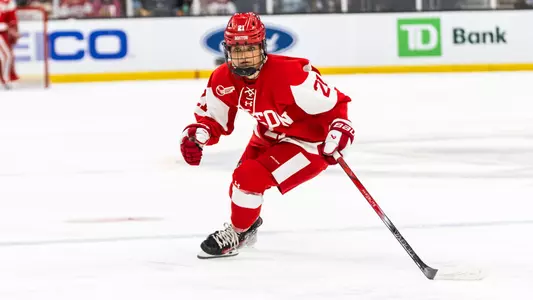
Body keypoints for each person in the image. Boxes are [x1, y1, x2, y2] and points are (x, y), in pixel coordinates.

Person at [180, 12, 355, 259]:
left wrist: (340, 128)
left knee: (248, 178)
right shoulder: (222, 77)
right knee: (238, 186)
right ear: (227, 49)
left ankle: (237, 233)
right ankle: (248, 227)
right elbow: (213, 120)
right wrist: (198, 135)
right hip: (269, 133)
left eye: (249, 49)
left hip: (308, 143)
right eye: (237, 51)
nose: (243, 57)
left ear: (262, 46)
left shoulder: (291, 74)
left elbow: (335, 104)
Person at [0, 0, 19, 89]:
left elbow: (12, 19)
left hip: (3, 33)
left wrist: (13, 29)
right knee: (6, 56)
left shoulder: (8, 2)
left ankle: (5, 80)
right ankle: (4, 80)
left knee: (6, 56)